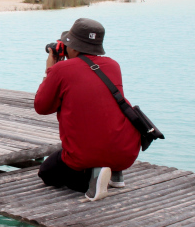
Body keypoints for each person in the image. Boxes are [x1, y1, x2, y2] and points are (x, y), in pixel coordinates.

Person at [33, 18, 140, 201]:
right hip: (125, 150)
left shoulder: (61, 70)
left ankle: (92, 178)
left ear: (73, 47)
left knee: (47, 173)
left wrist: (50, 70)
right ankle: (115, 173)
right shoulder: (113, 65)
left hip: (86, 155)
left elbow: (41, 107)